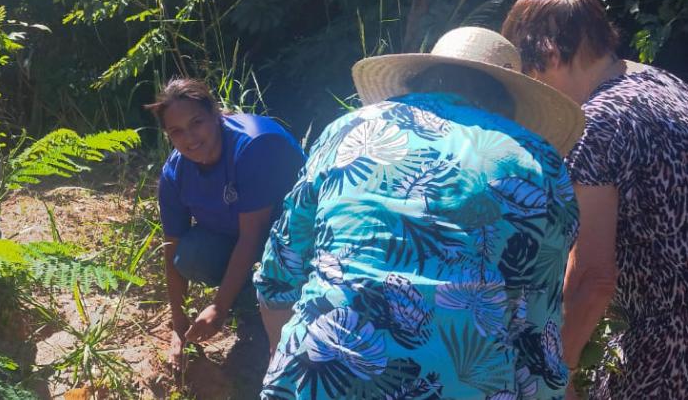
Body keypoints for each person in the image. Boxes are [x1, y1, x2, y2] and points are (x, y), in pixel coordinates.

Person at [256, 26, 584, 399]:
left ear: (418, 83)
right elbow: (537, 327)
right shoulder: (538, 162)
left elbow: (278, 276)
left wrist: (285, 362)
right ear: (508, 104)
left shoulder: (348, 129)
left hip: (320, 371)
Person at [502, 0, 688, 398]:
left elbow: (593, 278)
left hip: (666, 352)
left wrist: (549, 377)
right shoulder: (665, 85)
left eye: (528, 76)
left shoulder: (598, 123)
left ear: (548, 54)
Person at [146, 78, 306, 370]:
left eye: (197, 122)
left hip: (295, 232)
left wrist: (219, 308)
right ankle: (249, 301)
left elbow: (252, 237)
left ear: (216, 115)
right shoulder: (174, 173)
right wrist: (178, 328)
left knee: (288, 267)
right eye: (177, 131)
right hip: (240, 230)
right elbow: (173, 247)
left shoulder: (254, 148)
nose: (190, 138)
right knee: (191, 257)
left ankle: (279, 302)